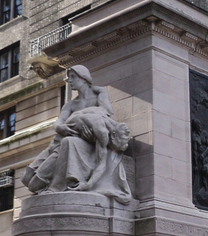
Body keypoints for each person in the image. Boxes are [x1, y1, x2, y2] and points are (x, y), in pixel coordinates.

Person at [21, 65, 132, 203]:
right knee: (26, 177)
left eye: (72, 77)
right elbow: (57, 123)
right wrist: (63, 127)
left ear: (83, 78)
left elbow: (107, 112)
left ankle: (55, 187)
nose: (69, 81)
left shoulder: (99, 94)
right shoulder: (70, 105)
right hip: (58, 141)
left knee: (34, 185)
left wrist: (88, 185)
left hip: (71, 143)